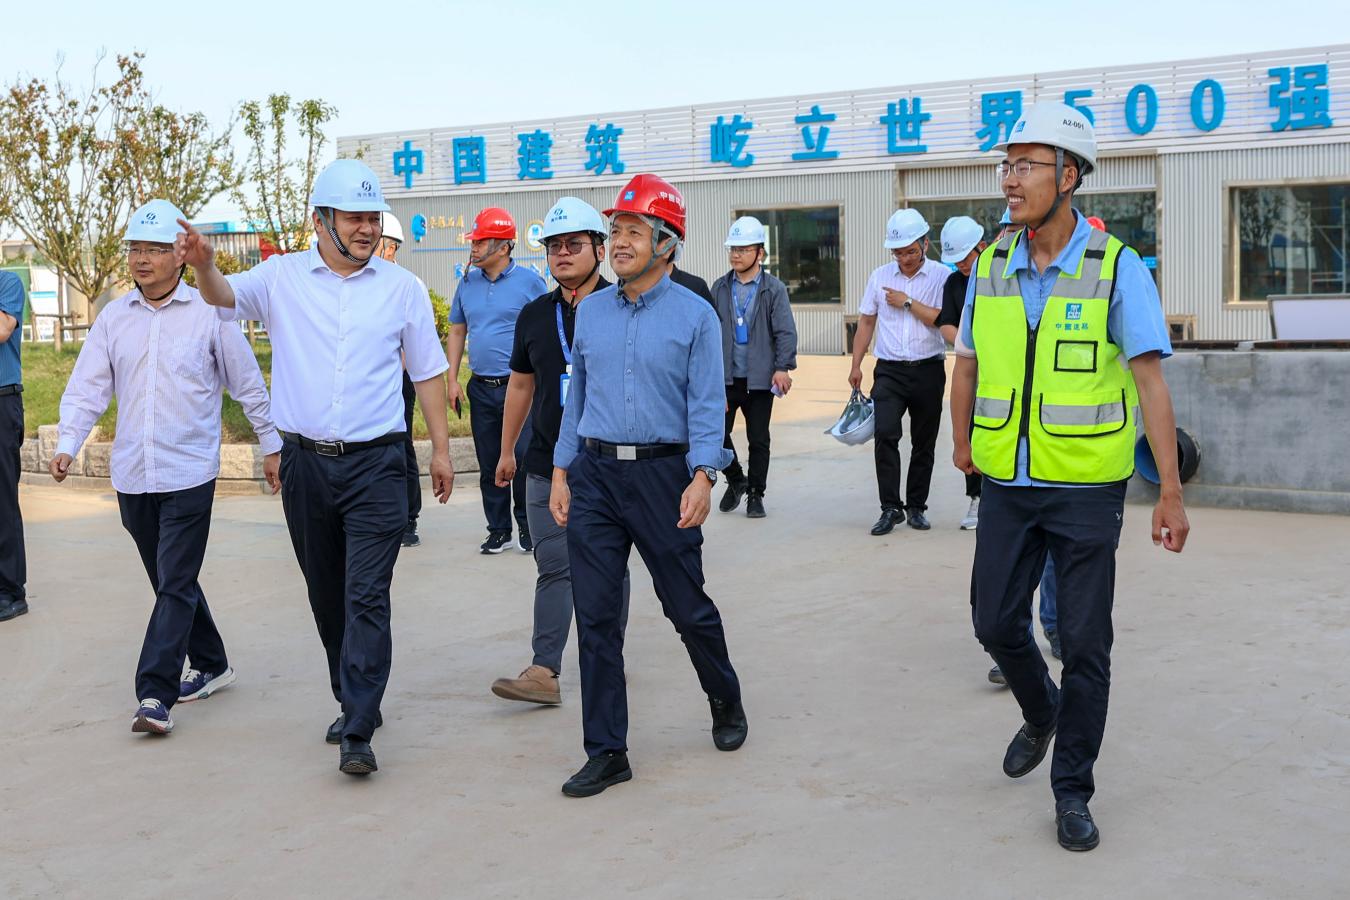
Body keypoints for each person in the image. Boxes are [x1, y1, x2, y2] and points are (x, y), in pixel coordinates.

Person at [950, 102, 1190, 851]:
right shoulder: (991, 264)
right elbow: (968, 362)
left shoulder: (1117, 267)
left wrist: (1170, 491)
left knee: (1085, 644)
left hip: (1087, 488)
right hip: (1007, 482)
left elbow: (1150, 382)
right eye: (1007, 165)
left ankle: (1072, 790)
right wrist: (962, 443)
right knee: (993, 622)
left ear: (1069, 175)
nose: (1010, 180)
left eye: (1026, 165)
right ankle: (1041, 709)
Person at [178, 158, 455, 776]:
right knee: (327, 594)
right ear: (320, 220)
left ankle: (358, 724)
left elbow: (428, 373)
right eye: (353, 218)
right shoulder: (281, 277)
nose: (366, 229)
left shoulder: (402, 288)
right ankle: (351, 694)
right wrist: (202, 263)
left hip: (378, 465)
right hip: (306, 465)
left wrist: (439, 449)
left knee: (366, 595)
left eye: (372, 218)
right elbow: (223, 296)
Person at [50, 199, 282, 734]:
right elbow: (87, 388)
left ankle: (155, 694)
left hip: (189, 473)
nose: (141, 259)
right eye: (135, 249)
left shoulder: (211, 313)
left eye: (154, 249)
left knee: (175, 582)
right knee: (170, 581)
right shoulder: (114, 319)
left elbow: (247, 382)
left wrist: (271, 443)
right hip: (134, 474)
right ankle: (213, 662)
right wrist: (67, 442)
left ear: (180, 256)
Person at [549, 174, 747, 798]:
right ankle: (607, 751)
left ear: (667, 242)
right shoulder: (591, 312)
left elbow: (707, 404)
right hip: (596, 477)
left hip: (665, 477)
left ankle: (724, 696)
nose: (619, 242)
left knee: (686, 606)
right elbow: (578, 398)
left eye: (634, 231)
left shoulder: (695, 315)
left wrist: (704, 476)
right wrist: (562, 470)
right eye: (616, 230)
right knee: (596, 617)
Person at [490, 197, 631, 705]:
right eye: (554, 247)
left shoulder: (624, 308)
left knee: (609, 569)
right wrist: (507, 450)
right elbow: (520, 386)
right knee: (554, 565)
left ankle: (605, 658)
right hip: (545, 462)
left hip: (608, 464)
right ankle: (544, 670)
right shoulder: (534, 316)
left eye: (574, 244)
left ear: (599, 249)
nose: (563, 254)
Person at [447, 207, 546, 554]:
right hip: (481, 388)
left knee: (523, 458)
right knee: (489, 461)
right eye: (473, 242)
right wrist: (452, 379)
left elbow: (545, 330)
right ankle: (498, 529)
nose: (473, 248)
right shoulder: (467, 283)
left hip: (521, 389)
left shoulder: (530, 283)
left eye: (480, 242)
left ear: (503, 247)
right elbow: (457, 330)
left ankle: (528, 526)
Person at [849, 208, 951, 535]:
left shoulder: (942, 276)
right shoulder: (880, 276)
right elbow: (867, 321)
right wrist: (856, 364)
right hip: (889, 371)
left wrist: (907, 301)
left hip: (928, 369)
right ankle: (890, 508)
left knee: (924, 441)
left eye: (910, 251)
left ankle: (916, 507)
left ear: (925, 244)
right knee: (885, 434)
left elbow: (942, 320)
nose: (904, 259)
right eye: (898, 252)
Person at [711, 216, 797, 517]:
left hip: (760, 378)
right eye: (733, 249)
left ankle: (756, 494)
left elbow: (785, 331)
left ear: (760, 252)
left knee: (758, 440)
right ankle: (737, 480)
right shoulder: (720, 287)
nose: (736, 255)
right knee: (715, 434)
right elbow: (709, 334)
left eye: (743, 249)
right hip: (726, 379)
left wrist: (782, 367)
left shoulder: (773, 289)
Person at [376, 212, 425, 549]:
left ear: (390, 248)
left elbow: (418, 345)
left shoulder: (408, 285)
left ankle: (408, 517)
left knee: (400, 445)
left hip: (398, 380)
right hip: (365, 383)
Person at [936, 215, 987, 531]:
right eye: (955, 260)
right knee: (971, 427)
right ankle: (976, 498)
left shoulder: (999, 276)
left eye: (966, 257)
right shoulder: (954, 283)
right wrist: (968, 344)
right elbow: (946, 323)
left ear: (982, 246)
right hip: (971, 366)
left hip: (1004, 367)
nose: (962, 264)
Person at [0, 267, 27, 623]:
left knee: (2, 502)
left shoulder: (7, 282)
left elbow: (3, 330)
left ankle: (10, 591)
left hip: (2, 400)